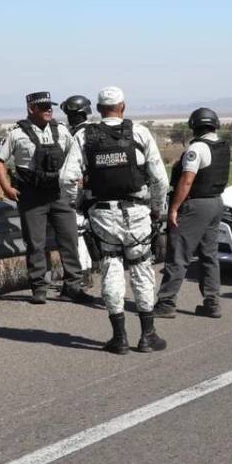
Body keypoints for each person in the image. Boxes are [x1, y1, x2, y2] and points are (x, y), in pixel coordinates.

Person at [60, 86, 170, 354]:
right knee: (142, 269)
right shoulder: (140, 133)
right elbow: (160, 179)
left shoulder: (85, 135)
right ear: (123, 106)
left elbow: (66, 178)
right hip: (138, 213)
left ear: (98, 109)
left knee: (111, 269)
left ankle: (119, 338)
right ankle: (148, 335)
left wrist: (77, 204)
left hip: (103, 215)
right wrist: (156, 209)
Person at [0, 91, 88, 305]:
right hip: (32, 196)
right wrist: (6, 187)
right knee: (35, 243)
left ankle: (73, 287)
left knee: (70, 241)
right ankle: (39, 288)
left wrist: (80, 178)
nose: (48, 110)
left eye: (50, 106)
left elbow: (77, 156)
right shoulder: (16, 133)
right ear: (30, 109)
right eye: (43, 107)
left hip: (60, 194)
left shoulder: (62, 130)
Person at [152, 107, 230, 319]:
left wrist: (174, 208)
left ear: (194, 126)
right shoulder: (222, 146)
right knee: (209, 256)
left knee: (178, 254)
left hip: (196, 206)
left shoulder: (198, 148)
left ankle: (166, 302)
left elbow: (187, 180)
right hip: (216, 203)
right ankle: (212, 303)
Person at [61, 94, 98, 283]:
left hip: (81, 189)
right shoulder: (95, 131)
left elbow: (72, 171)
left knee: (77, 231)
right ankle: (88, 269)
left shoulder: (77, 135)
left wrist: (72, 196)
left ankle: (83, 273)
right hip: (96, 189)